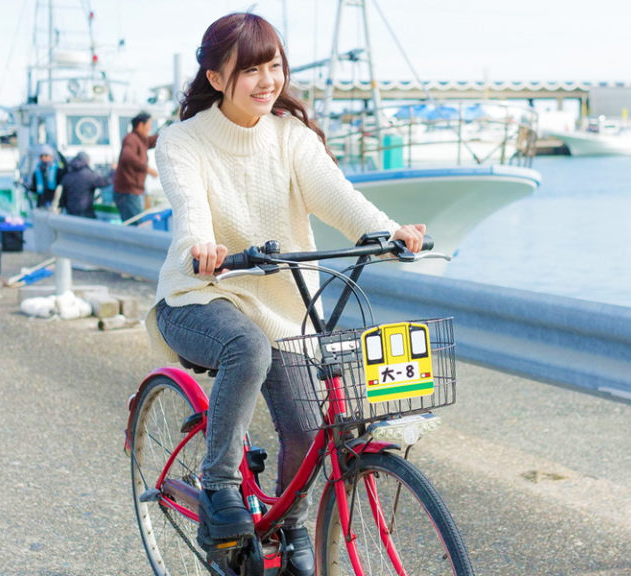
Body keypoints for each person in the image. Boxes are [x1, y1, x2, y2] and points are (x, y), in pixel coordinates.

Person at [145, 13, 426, 576]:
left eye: (273, 65)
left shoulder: (290, 137)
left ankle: (288, 524)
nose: (267, 80)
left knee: (309, 430)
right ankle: (219, 481)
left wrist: (388, 231)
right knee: (247, 348)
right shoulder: (182, 141)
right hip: (201, 296)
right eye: (249, 69)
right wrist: (204, 243)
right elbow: (192, 209)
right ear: (217, 77)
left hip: (283, 308)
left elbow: (339, 198)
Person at [113, 111, 158, 224]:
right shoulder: (131, 139)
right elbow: (127, 156)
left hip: (134, 192)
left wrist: (170, 132)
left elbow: (153, 140)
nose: (150, 129)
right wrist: (147, 169)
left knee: (136, 224)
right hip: (127, 193)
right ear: (140, 125)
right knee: (136, 225)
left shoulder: (142, 140)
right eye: (149, 126)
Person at [58, 152, 112, 218]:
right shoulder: (89, 175)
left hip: (70, 213)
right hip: (85, 212)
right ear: (87, 161)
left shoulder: (68, 174)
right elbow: (105, 182)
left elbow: (62, 193)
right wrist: (113, 171)